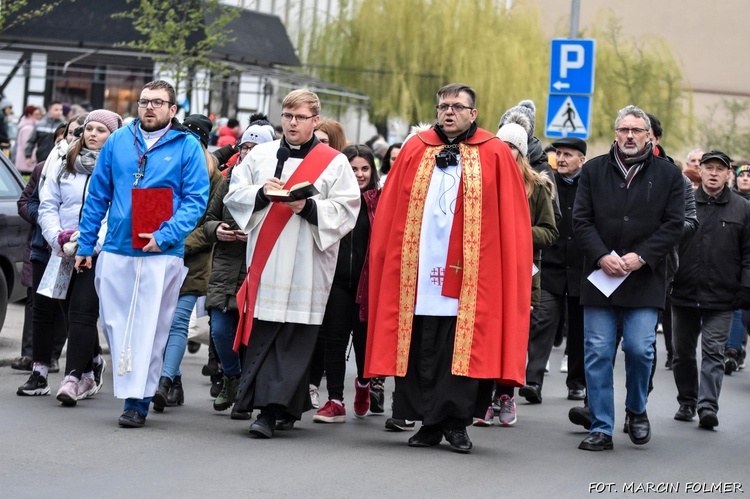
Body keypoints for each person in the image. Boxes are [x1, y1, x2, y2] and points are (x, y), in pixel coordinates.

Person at [365, 83, 533, 453]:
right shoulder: (414, 148)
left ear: (473, 114)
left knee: (461, 348)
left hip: (473, 274)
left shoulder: (494, 154)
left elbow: (511, 221)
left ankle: (456, 425)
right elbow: (392, 211)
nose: (449, 112)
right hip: (417, 271)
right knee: (419, 344)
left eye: (458, 106)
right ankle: (427, 423)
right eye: (443, 106)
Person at [224, 89, 360, 439]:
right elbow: (234, 194)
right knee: (266, 335)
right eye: (287, 116)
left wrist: (309, 207)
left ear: (315, 121)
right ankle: (271, 407)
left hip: (306, 264)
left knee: (296, 341)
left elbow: (347, 209)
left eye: (300, 117)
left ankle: (273, 411)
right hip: (267, 262)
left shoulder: (334, 161)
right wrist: (261, 194)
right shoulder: (260, 156)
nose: (292, 123)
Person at [74, 80, 210, 428]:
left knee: (151, 327)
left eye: (158, 102)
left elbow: (196, 200)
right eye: (144, 102)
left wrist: (165, 236)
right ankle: (127, 384)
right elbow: (98, 195)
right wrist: (87, 244)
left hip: (161, 253)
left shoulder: (187, 146)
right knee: (116, 324)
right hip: (118, 247)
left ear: (172, 109)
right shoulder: (118, 140)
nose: (149, 108)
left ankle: (139, 400)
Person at [573, 105, 684, 451]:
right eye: (624, 130)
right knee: (597, 351)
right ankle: (602, 427)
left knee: (639, 349)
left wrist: (643, 256)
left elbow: (673, 225)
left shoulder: (669, 175)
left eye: (637, 130)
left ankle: (636, 409)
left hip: (644, 279)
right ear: (615, 133)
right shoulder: (592, 171)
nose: (630, 136)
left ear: (649, 136)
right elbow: (580, 221)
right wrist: (601, 255)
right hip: (600, 278)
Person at [474, 109, 557, 427]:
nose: (506, 152)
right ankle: (481, 399)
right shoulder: (481, 181)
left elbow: (550, 232)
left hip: (522, 273)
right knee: (485, 334)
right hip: (485, 273)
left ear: (521, 153)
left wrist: (517, 231)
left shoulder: (537, 187)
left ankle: (505, 394)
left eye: (512, 147)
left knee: (514, 335)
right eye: (502, 145)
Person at [38, 109, 123, 405]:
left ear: (112, 137)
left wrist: (88, 245)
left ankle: (73, 378)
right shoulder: (65, 164)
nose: (93, 134)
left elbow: (114, 214)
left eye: (101, 130)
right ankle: (91, 365)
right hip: (63, 251)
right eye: (90, 128)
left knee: (82, 312)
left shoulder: (117, 168)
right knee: (65, 311)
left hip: (96, 252)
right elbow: (48, 204)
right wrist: (58, 238)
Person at [670, 151, 750, 429]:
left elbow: (748, 253)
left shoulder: (742, 208)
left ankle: (707, 406)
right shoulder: (683, 205)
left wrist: (745, 287)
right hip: (683, 291)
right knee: (682, 353)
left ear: (729, 174)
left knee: (714, 353)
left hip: (723, 295)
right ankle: (687, 401)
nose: (713, 173)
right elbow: (669, 243)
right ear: (700, 171)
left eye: (719, 169)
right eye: (708, 168)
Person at [203, 122, 277, 419]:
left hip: (256, 268)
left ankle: (246, 391)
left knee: (250, 335)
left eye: (256, 148)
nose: (249, 152)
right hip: (225, 266)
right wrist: (218, 229)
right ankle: (231, 377)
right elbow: (207, 219)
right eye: (245, 147)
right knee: (220, 330)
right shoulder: (229, 179)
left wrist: (256, 235)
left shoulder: (276, 181)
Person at [152, 114, 224, 412]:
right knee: (161, 324)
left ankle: (165, 381)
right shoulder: (167, 165)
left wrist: (176, 244)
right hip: (158, 254)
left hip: (192, 260)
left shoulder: (216, 177)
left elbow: (210, 225)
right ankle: (176, 381)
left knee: (179, 322)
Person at [312, 144, 381, 424]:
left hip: (368, 286)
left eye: (365, 168)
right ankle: (336, 400)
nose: (359, 174)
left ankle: (364, 384)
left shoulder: (380, 201)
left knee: (366, 347)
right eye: (353, 169)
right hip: (337, 282)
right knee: (334, 342)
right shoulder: (333, 200)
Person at [518, 136, 587, 407]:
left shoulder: (589, 186)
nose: (560, 159)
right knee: (541, 323)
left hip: (582, 270)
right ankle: (533, 381)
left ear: (582, 159)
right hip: (551, 268)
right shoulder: (546, 183)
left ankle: (577, 383)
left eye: (568, 154)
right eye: (558, 153)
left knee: (580, 329)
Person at [25, 101, 65, 167]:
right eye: (56, 109)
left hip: (58, 159)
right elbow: (31, 141)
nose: (59, 112)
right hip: (42, 159)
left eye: (61, 110)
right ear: (49, 110)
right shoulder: (40, 125)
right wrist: (28, 156)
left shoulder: (64, 125)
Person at [13, 105, 39, 172]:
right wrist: (32, 158)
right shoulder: (28, 128)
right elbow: (27, 145)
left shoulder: (28, 126)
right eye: (36, 114)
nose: (38, 116)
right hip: (27, 163)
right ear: (30, 114)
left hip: (25, 162)